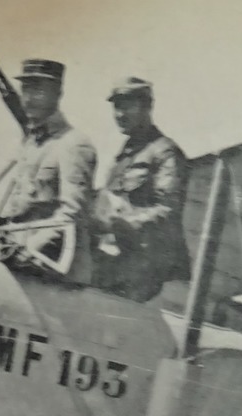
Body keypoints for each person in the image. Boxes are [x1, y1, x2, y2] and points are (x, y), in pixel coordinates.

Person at [0, 59, 98, 284]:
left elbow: (73, 215)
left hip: (49, 271)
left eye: (39, 91)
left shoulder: (74, 144)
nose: (29, 99)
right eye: (26, 89)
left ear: (57, 94)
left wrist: (30, 250)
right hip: (20, 259)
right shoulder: (32, 144)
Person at [91, 77, 191, 303]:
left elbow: (167, 210)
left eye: (128, 106)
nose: (120, 114)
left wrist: (120, 223)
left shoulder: (165, 152)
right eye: (117, 107)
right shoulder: (123, 158)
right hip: (120, 261)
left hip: (151, 273)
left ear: (147, 107)